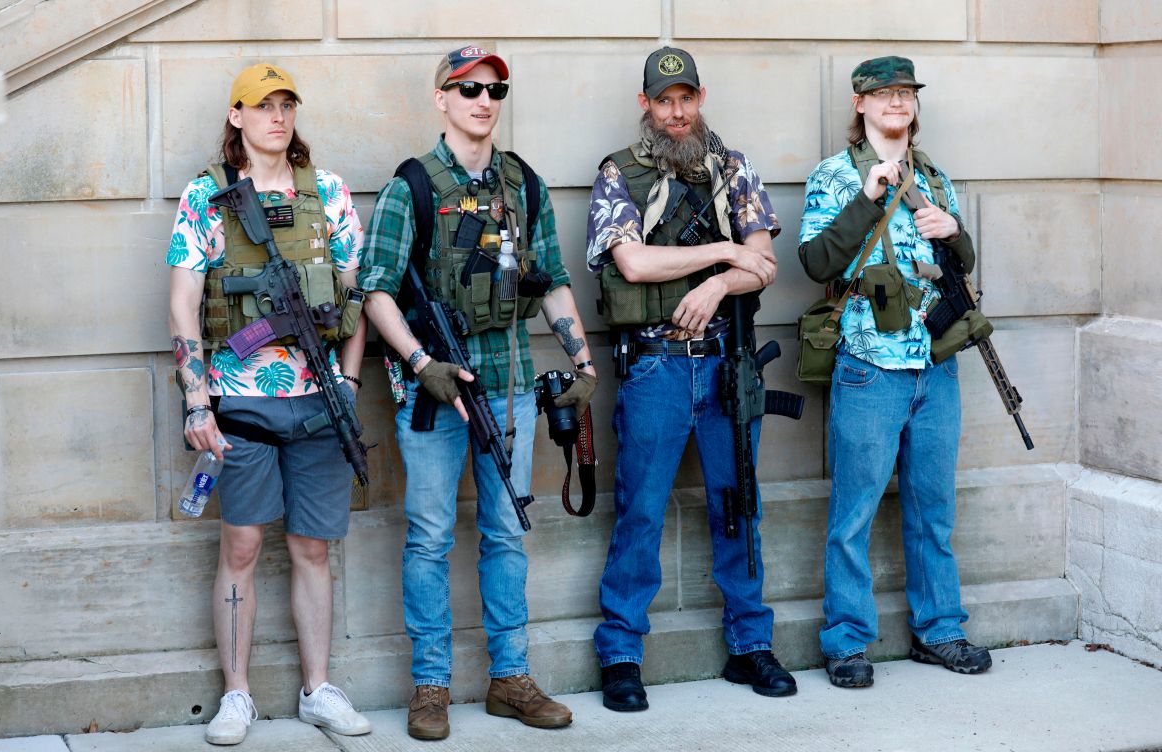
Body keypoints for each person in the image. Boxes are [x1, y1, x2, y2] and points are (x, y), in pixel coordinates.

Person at [359, 45, 595, 741]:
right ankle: (430, 686)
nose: (483, 101)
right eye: (467, 89)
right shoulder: (413, 186)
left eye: (495, 89)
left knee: (506, 535)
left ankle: (510, 678)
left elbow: (550, 277)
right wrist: (420, 361)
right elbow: (374, 288)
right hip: (436, 397)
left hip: (513, 386)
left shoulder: (523, 184)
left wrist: (582, 362)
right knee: (429, 539)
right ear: (442, 99)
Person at [167, 63, 372, 745]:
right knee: (243, 545)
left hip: (320, 405)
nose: (277, 118)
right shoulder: (208, 196)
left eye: (286, 105)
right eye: (263, 106)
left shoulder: (330, 193)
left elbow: (354, 296)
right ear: (237, 116)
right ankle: (236, 694)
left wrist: (347, 381)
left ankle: (320, 689)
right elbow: (183, 302)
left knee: (313, 547)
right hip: (241, 402)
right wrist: (198, 401)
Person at [586, 46, 795, 712]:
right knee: (640, 509)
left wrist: (714, 286)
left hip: (729, 362)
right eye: (663, 99)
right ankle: (621, 652)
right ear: (645, 104)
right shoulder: (619, 171)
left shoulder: (732, 167)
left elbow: (765, 266)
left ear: (701, 98)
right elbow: (634, 263)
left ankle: (749, 645)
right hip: (656, 366)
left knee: (739, 506)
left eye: (687, 98)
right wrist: (725, 252)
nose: (676, 111)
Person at [798, 56, 993, 688]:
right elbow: (815, 259)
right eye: (883, 94)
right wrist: (868, 198)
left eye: (905, 93)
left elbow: (963, 263)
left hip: (934, 367)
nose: (896, 103)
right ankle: (848, 641)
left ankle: (940, 630)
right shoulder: (832, 176)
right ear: (859, 104)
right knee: (852, 514)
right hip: (869, 367)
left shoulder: (933, 175)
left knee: (933, 510)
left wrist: (954, 230)